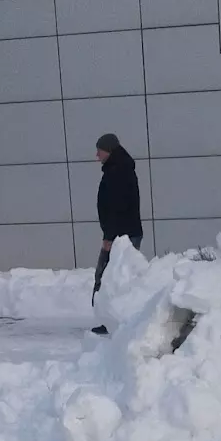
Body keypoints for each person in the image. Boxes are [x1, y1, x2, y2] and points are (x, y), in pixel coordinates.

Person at [91, 133, 143, 335]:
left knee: (108, 278)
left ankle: (113, 320)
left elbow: (118, 207)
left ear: (109, 150)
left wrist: (109, 238)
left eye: (100, 150)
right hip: (122, 233)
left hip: (121, 235)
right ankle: (112, 319)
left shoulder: (118, 172)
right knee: (113, 277)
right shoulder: (118, 169)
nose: (97, 155)